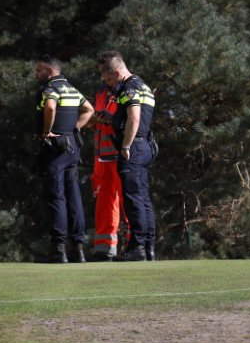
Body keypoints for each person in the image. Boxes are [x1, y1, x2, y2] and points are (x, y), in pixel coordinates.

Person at [96, 49, 157, 261]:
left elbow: (134, 118)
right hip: (145, 147)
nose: (108, 85)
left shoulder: (128, 87)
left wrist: (126, 146)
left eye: (108, 80)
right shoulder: (143, 86)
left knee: (133, 199)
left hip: (134, 148)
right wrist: (112, 118)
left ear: (115, 73)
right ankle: (148, 246)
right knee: (144, 198)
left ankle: (137, 246)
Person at [33, 57, 94, 263]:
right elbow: (89, 110)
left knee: (56, 197)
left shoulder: (50, 88)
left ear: (49, 70)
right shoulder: (71, 89)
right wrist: (75, 128)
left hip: (55, 149)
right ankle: (79, 249)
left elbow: (50, 107)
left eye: (39, 70)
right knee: (74, 196)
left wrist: (46, 131)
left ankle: (59, 251)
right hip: (72, 148)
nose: (36, 75)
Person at [87, 79, 129, 261]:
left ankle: (133, 245)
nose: (103, 76)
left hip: (120, 154)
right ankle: (105, 250)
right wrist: (93, 120)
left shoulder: (127, 90)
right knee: (104, 203)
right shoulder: (101, 93)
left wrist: (110, 119)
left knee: (129, 202)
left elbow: (131, 119)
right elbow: (96, 124)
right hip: (102, 157)